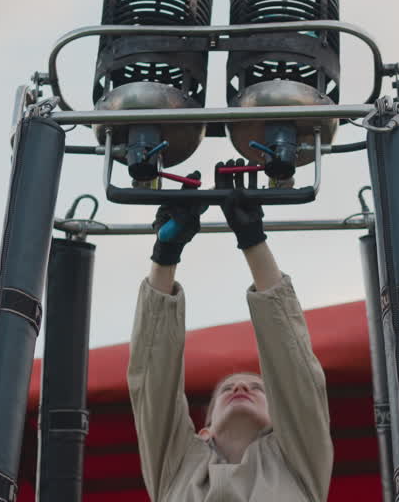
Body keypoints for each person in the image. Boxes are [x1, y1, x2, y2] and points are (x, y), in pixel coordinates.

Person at [127, 185, 334, 502]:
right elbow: (152, 379)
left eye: (257, 388)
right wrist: (165, 254)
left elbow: (292, 364)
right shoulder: (178, 465)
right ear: (204, 430)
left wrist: (253, 239)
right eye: (227, 389)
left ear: (280, 421)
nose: (241, 388)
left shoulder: (298, 460)